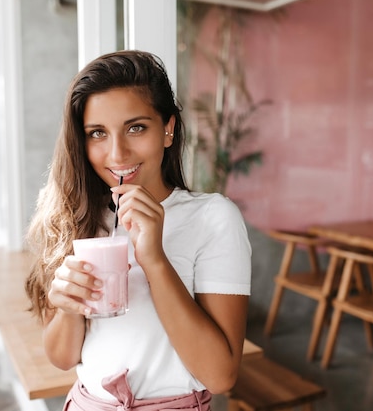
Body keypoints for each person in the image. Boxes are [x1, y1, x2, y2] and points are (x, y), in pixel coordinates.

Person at [25, 50, 252, 411]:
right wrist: (68, 307)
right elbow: (63, 358)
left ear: (168, 129)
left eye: (136, 127)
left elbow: (220, 375)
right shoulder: (79, 216)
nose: (117, 153)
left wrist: (154, 260)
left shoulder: (213, 217)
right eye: (97, 133)